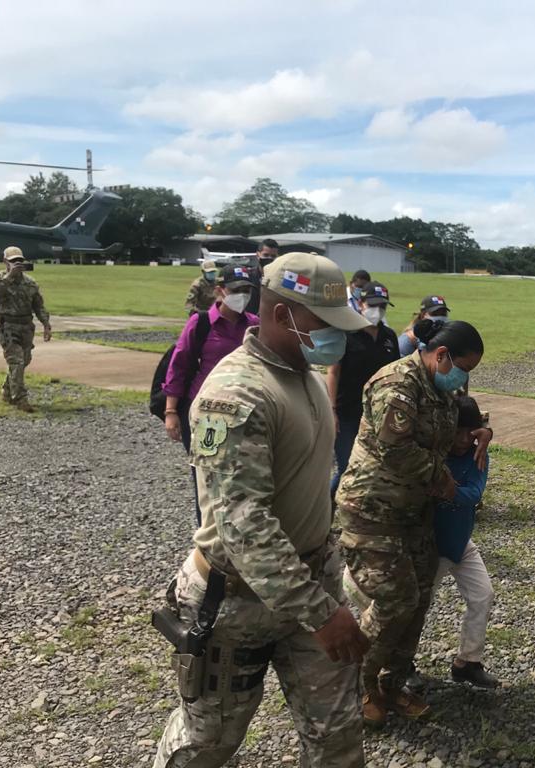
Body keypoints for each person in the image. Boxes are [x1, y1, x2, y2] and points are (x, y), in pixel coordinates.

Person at [151, 252, 371, 768]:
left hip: (310, 584)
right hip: (236, 603)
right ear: (281, 315)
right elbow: (245, 526)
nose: (339, 337)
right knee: (208, 743)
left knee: (337, 738)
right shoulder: (237, 395)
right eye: (326, 325)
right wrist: (322, 614)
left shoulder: (308, 377)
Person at [335, 318, 492, 727]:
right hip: (371, 510)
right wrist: (441, 477)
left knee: (418, 600)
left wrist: (482, 431)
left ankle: (392, 683)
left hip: (412, 513)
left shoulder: (443, 388)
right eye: (462, 367)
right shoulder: (397, 384)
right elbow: (394, 449)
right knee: (393, 600)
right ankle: (357, 686)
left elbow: (456, 425)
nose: (463, 378)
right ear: (441, 356)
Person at [162, 265, 260, 525]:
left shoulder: (254, 325)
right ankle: (207, 538)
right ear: (220, 291)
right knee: (206, 479)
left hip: (244, 411)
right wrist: (171, 412)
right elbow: (179, 366)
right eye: (236, 290)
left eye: (247, 290)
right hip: (207, 414)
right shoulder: (201, 323)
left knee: (242, 476)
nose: (242, 296)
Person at [429, 395, 499, 689]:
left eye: (468, 433)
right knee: (418, 606)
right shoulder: (434, 452)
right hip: (431, 547)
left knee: (483, 595)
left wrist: (448, 490)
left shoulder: (477, 455)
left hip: (460, 543)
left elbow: (475, 493)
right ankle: (400, 663)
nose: (461, 440)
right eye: (455, 432)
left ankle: (467, 662)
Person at [326, 281, 399, 499]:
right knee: (348, 466)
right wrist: (332, 410)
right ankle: (325, 512)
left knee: (375, 465)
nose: (377, 310)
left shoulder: (389, 337)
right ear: (360, 303)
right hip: (347, 411)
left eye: (382, 306)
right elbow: (333, 372)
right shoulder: (346, 334)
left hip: (378, 413)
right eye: (373, 305)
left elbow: (394, 372)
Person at [0, 246, 51, 412]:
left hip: (26, 327)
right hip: (7, 326)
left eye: (20, 261)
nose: (17, 264)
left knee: (25, 360)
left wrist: (46, 324)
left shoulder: (30, 282)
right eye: (13, 261)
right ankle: (20, 399)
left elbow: (39, 305)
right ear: (5, 261)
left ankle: (7, 391)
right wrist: (9, 277)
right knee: (17, 361)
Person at [244, 239, 279, 314]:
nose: (269, 258)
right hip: (249, 321)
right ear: (258, 255)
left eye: (273, 256)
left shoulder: (280, 279)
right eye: (266, 255)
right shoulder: (247, 277)